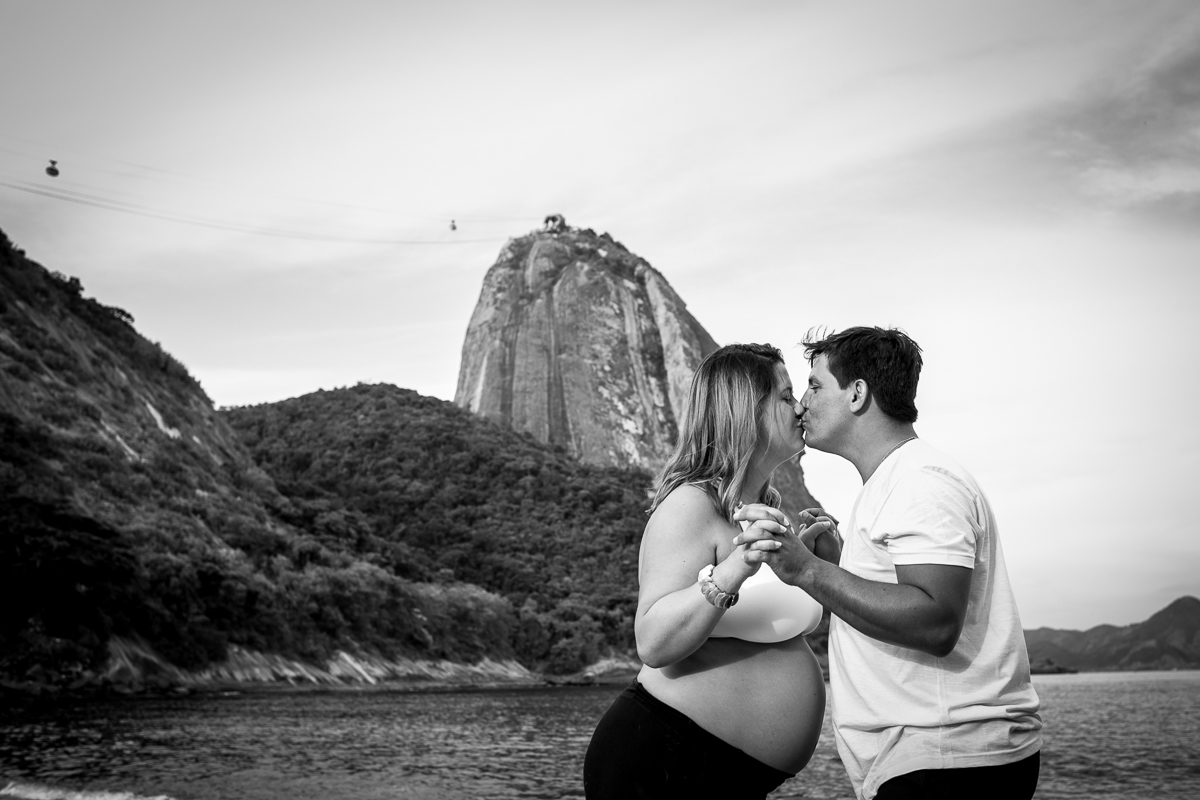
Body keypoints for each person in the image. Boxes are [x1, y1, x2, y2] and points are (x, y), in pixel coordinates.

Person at [733, 327, 1043, 800]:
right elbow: (906, 602)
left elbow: (935, 621)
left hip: (947, 761)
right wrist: (837, 568)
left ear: (858, 393)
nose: (802, 405)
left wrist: (808, 571)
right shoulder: (896, 481)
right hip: (933, 757)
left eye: (815, 386)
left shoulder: (920, 481)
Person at [583, 343, 839, 799]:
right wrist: (736, 567)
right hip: (666, 762)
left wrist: (822, 566)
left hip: (724, 774)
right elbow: (654, 642)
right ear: (745, 412)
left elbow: (774, 625)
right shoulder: (690, 504)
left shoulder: (766, 508)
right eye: (784, 396)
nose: (799, 406)